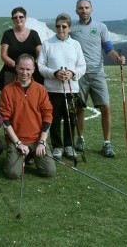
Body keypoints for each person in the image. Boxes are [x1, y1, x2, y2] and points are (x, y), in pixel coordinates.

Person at [71, 0, 126, 158]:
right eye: (81, 8)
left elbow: (108, 47)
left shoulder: (101, 27)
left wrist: (117, 58)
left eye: (87, 7)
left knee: (106, 108)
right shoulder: (72, 29)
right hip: (79, 75)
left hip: (97, 73)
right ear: (76, 11)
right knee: (79, 108)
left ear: (92, 9)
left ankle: (107, 143)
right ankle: (80, 139)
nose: (84, 10)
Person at [0, 54, 56, 179]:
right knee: (13, 174)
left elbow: (47, 115)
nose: (24, 72)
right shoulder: (7, 90)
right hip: (16, 141)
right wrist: (18, 143)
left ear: (33, 70)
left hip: (37, 140)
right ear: (16, 68)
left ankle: (30, 155)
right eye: (21, 68)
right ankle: (20, 156)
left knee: (49, 171)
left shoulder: (41, 89)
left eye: (28, 69)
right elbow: (5, 120)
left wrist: (42, 141)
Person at [38, 13, 86, 160]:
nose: (61, 29)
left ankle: (69, 145)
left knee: (71, 118)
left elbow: (82, 66)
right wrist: (54, 73)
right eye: (58, 26)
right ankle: (57, 146)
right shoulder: (47, 44)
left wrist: (71, 73)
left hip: (71, 89)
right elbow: (40, 66)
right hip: (52, 89)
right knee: (54, 119)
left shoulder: (76, 45)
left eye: (64, 26)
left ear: (69, 28)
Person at [0, 6, 43, 89]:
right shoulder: (7, 34)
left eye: (21, 17)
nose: (18, 19)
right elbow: (4, 55)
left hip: (31, 72)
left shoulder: (34, 34)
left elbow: (39, 52)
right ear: (12, 19)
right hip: (11, 71)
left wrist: (30, 67)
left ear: (25, 18)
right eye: (15, 17)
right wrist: (16, 66)